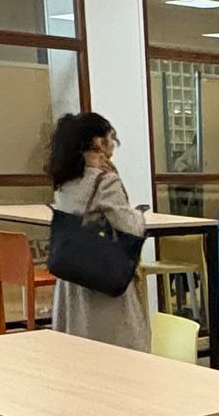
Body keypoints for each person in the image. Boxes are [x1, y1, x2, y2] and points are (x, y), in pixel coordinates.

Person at [46, 111, 149, 352]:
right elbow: (129, 227)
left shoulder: (65, 181)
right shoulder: (105, 181)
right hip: (101, 277)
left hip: (72, 274)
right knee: (115, 349)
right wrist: (139, 215)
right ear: (99, 142)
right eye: (111, 137)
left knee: (79, 348)